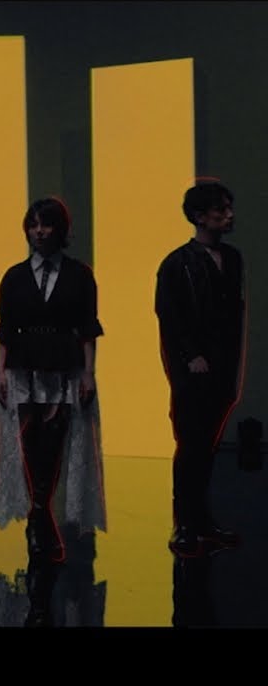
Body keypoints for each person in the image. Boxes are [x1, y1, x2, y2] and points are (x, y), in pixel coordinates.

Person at [0, 196, 106, 565]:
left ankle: (41, 513)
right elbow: (6, 329)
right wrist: (0, 371)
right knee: (30, 442)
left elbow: (88, 328)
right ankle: (39, 515)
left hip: (63, 366)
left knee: (55, 442)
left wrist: (88, 372)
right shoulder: (14, 276)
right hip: (24, 366)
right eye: (33, 225)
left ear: (60, 229)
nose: (39, 232)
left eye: (46, 224)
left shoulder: (79, 275)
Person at [155, 178, 245, 557]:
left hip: (221, 366)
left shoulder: (232, 259)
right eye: (220, 210)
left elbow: (233, 315)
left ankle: (201, 521)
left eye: (228, 208)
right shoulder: (177, 263)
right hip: (191, 370)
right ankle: (184, 524)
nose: (229, 216)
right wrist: (190, 355)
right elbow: (169, 316)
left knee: (206, 447)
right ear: (199, 216)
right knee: (191, 445)